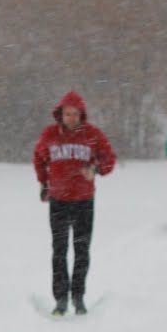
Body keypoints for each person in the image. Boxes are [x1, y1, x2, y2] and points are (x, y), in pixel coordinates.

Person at [32, 90, 117, 316]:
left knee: (81, 250)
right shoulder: (50, 135)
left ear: (82, 115)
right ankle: (61, 298)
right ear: (60, 114)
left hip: (83, 201)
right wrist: (44, 183)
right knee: (59, 251)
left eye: (75, 114)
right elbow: (38, 158)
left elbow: (110, 159)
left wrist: (96, 169)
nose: (71, 118)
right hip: (58, 201)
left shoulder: (93, 135)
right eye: (67, 114)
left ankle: (78, 297)